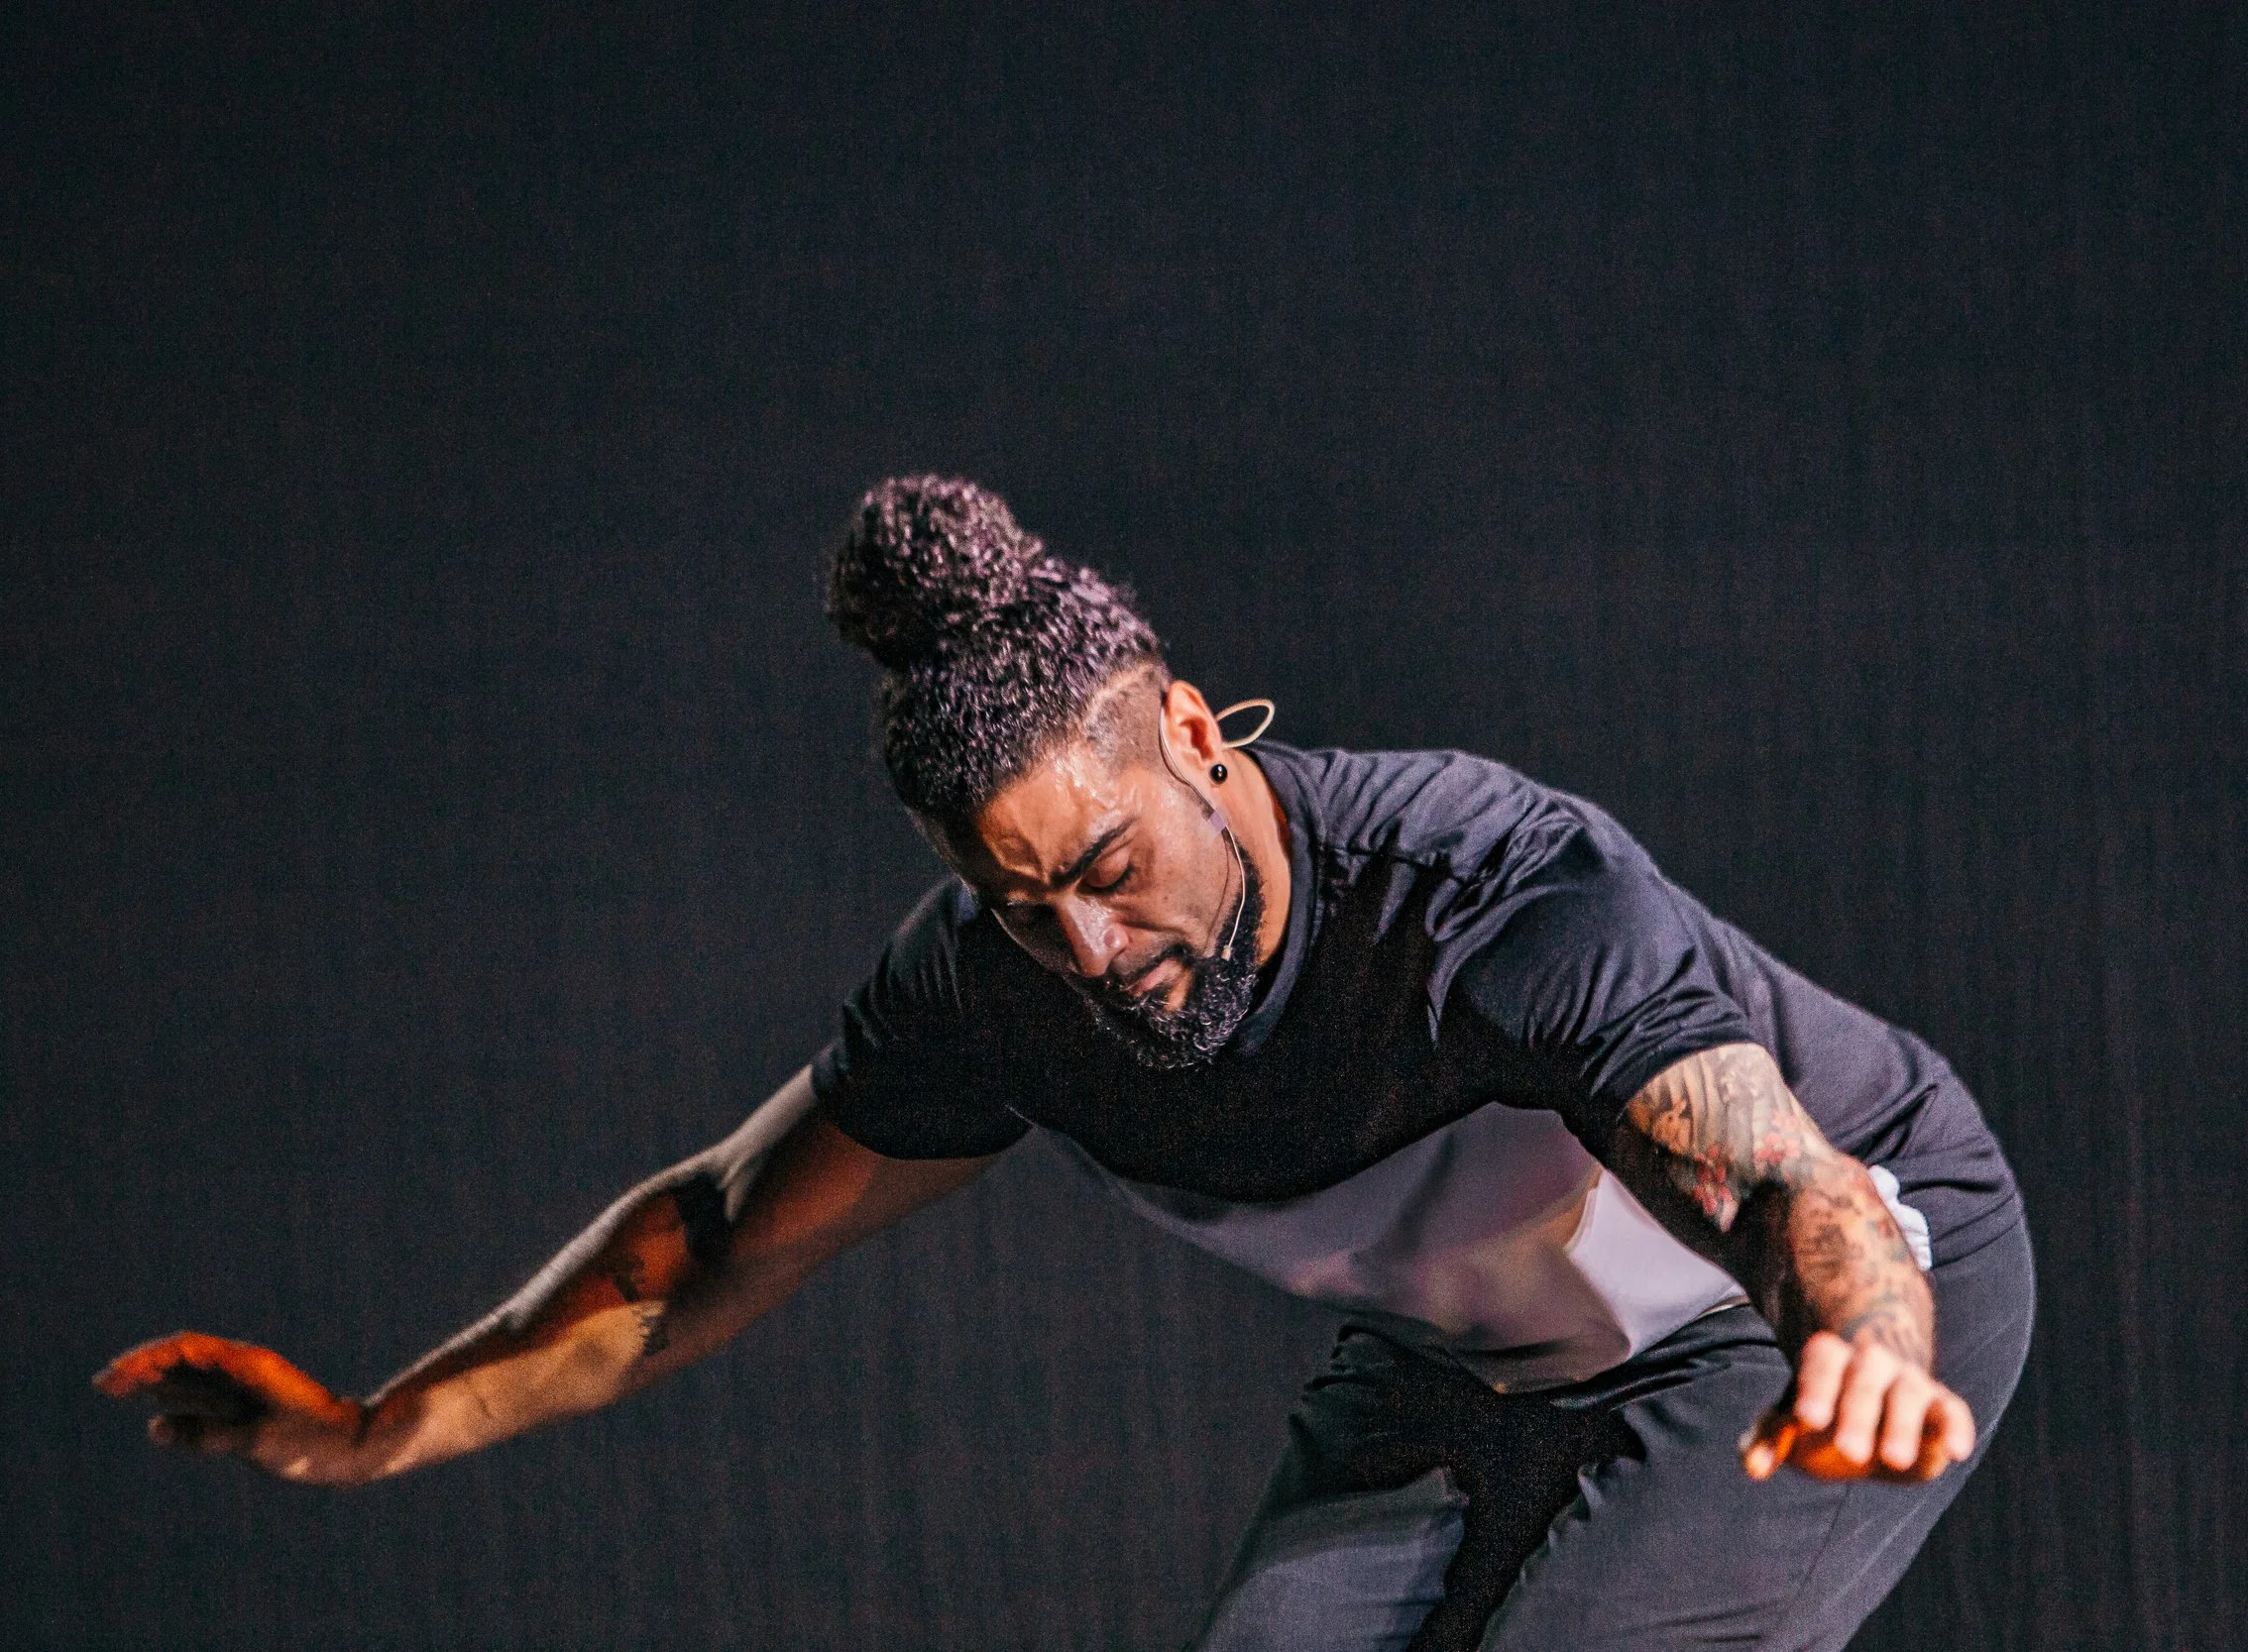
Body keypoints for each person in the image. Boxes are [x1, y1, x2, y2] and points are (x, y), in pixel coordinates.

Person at [99, 477, 2032, 1651]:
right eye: (1024, 903)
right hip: (1482, 1345)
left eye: (1108, 869)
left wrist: (1862, 1330)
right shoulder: (997, 992)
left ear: (1194, 732)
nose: (1094, 950)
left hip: (1782, 1306)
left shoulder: (1484, 888)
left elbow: (1781, 1172)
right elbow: (702, 1245)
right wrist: (375, 1423)